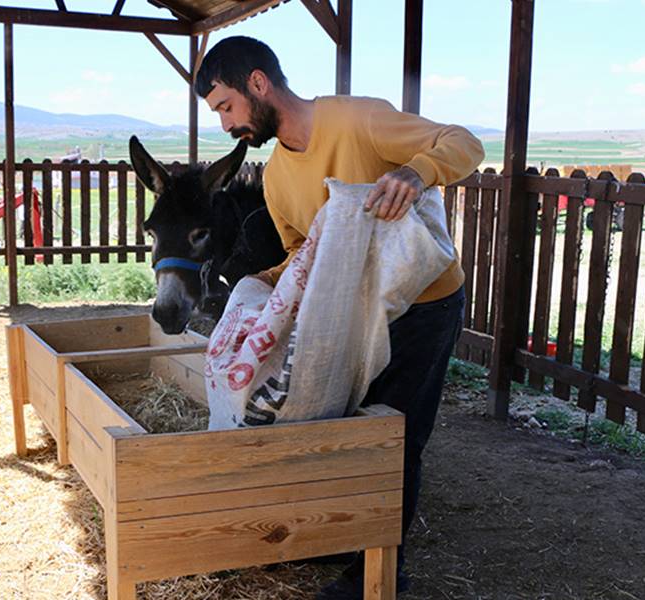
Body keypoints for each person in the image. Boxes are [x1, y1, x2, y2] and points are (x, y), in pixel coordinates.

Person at [195, 36, 485, 599]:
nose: (226, 125)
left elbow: (463, 143)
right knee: (342, 422)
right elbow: (302, 256)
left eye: (226, 106)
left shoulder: (356, 120)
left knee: (396, 432)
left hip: (423, 303)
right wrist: (256, 287)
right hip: (355, 311)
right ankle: (340, 532)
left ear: (259, 83)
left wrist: (416, 173)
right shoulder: (278, 176)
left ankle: (378, 572)